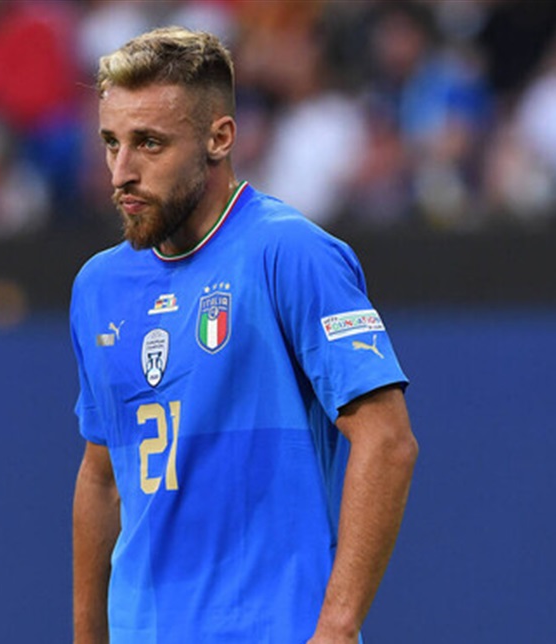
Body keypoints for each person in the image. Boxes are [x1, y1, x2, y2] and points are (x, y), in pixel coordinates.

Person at [70, 28, 418, 643]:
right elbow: (102, 477)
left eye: (149, 143)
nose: (121, 172)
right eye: (111, 143)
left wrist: (336, 629)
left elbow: (387, 440)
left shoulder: (291, 252)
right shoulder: (99, 286)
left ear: (220, 137)